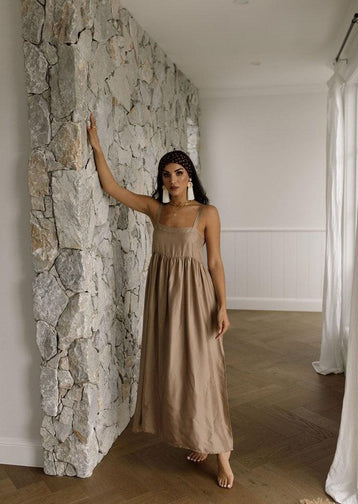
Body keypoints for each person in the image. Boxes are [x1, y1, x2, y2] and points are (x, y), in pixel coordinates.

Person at [86, 113, 234, 489]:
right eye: (166, 174)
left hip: (197, 299)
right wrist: (97, 147)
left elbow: (214, 262)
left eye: (179, 174)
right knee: (176, 370)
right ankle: (196, 436)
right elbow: (113, 189)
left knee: (204, 371)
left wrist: (223, 306)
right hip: (164, 302)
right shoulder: (157, 210)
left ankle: (223, 456)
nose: (172, 180)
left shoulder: (206, 213)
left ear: (190, 177)